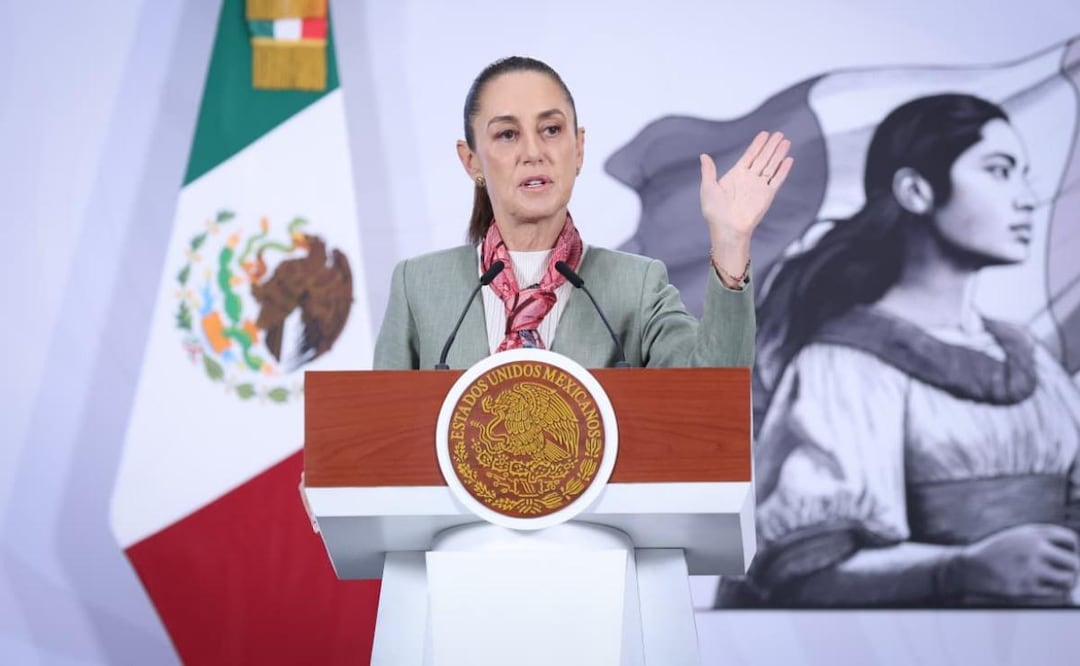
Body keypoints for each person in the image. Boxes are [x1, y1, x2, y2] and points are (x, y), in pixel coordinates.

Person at [739, 93, 1080, 606]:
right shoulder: (845, 365)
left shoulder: (1028, 357)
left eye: (1024, 173)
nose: (1028, 198)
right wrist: (962, 570)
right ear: (916, 190)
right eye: (999, 170)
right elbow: (799, 568)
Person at [373, 56, 792, 370]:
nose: (533, 152)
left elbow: (712, 394)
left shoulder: (638, 286)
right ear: (472, 162)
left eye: (551, 130)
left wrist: (731, 242)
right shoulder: (418, 287)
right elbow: (378, 443)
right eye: (507, 134)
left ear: (579, 148)